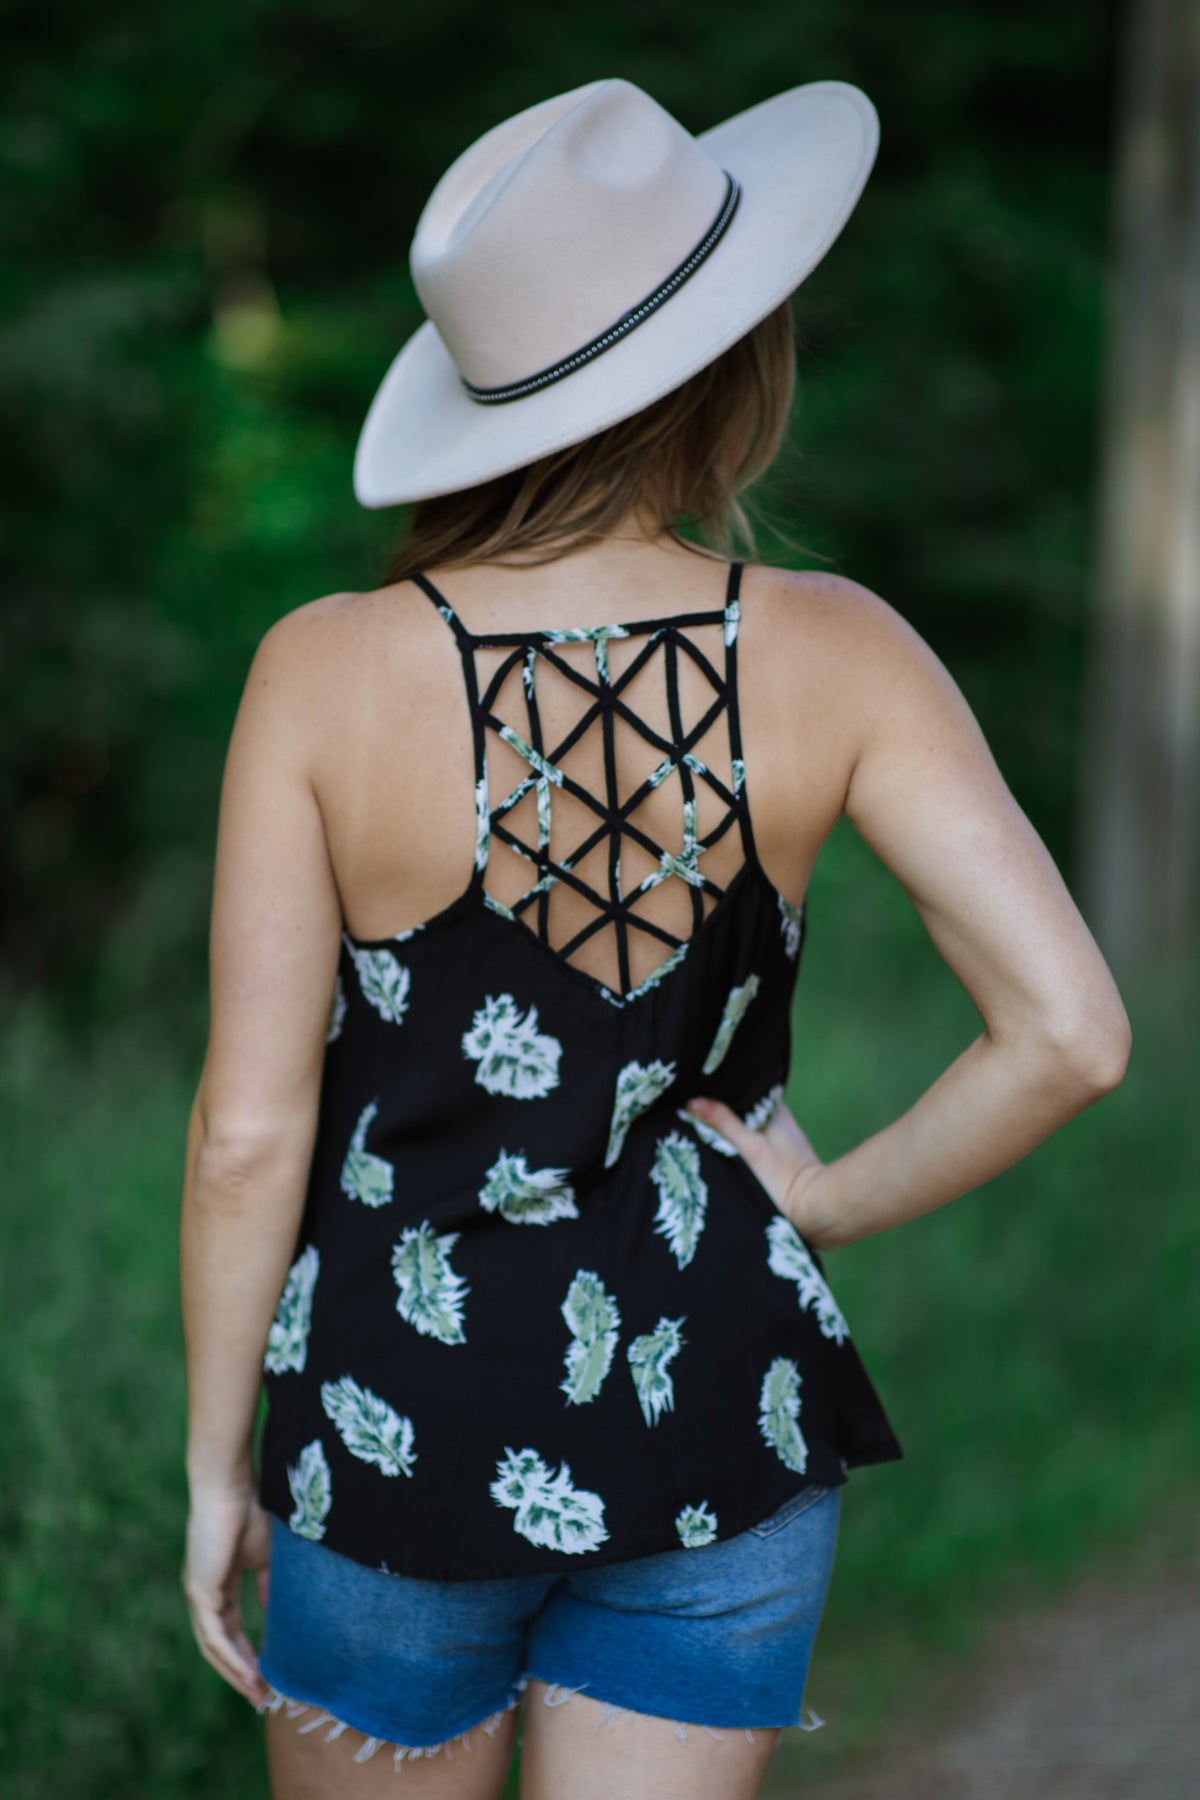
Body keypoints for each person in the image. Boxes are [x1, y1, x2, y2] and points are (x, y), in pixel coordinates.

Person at [179, 76, 1131, 1800]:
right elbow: (1070, 1031)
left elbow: (250, 1136)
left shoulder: (319, 672)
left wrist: (206, 1468)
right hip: (720, 1412)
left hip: (399, 1430)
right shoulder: (840, 649)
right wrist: (825, 1197)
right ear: (724, 365)